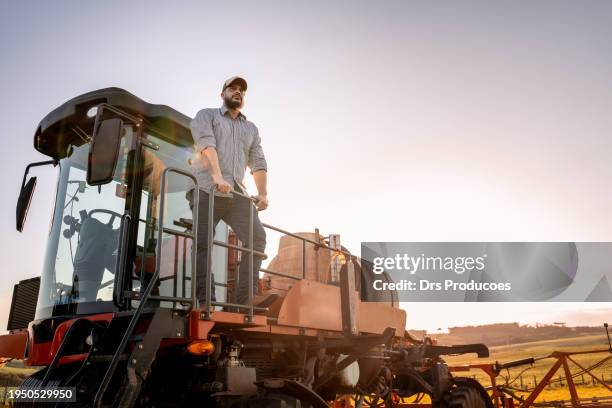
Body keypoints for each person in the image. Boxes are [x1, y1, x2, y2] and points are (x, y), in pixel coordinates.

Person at [190, 76, 269, 308]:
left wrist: (262, 193)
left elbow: (258, 161)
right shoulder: (207, 115)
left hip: (236, 192)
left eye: (242, 90)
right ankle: (205, 301)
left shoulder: (250, 128)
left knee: (257, 238)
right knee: (203, 241)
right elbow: (206, 145)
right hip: (206, 189)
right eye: (233, 89)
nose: (238, 92)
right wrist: (216, 176)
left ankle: (244, 301)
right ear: (222, 93)